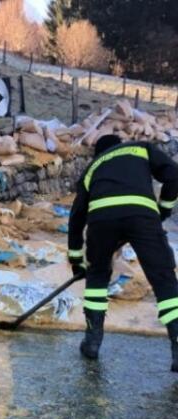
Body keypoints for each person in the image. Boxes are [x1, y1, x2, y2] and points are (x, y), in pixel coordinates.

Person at [67, 134, 178, 371]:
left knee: (97, 277)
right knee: (163, 279)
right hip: (141, 215)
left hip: (101, 220)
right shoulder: (140, 148)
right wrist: (164, 209)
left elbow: (76, 218)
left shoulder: (92, 168)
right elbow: (174, 175)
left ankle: (92, 342)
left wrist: (76, 260)